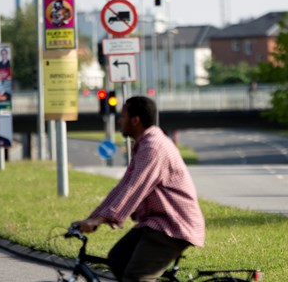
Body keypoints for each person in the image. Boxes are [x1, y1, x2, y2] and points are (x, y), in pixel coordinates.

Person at [72, 96, 205, 282]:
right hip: (156, 222)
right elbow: (123, 186)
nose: (119, 120)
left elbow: (135, 189)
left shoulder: (154, 147)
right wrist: (92, 217)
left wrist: (101, 219)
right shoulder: (144, 144)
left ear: (135, 120)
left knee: (135, 277)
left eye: (123, 116)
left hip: (173, 224)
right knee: (118, 260)